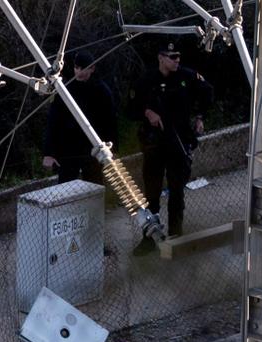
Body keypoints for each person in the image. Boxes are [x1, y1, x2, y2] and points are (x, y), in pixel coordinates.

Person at [133, 41, 215, 255]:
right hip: (154, 145)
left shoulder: (187, 77)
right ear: (161, 57)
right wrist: (147, 113)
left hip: (178, 141)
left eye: (178, 56)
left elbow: (208, 93)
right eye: (172, 57)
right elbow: (130, 108)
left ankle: (176, 237)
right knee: (151, 194)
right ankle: (149, 237)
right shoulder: (147, 80)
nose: (177, 60)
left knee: (177, 193)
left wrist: (199, 116)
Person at [42, 49, 117, 186]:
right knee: (65, 188)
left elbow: (110, 122)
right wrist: (49, 152)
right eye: (77, 68)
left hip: (93, 149)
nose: (79, 72)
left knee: (94, 187)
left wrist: (112, 149)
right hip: (68, 149)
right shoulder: (66, 89)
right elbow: (53, 122)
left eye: (83, 68)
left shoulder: (101, 91)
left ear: (92, 68)